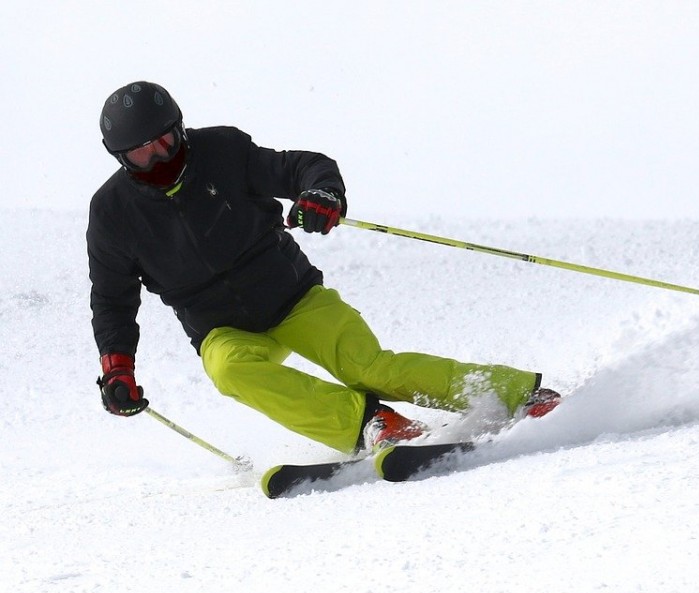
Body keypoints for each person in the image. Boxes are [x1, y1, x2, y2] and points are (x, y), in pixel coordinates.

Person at [88, 81, 560, 456]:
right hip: (221, 327)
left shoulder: (223, 152)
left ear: (180, 128)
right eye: (141, 152)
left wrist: (322, 194)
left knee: (369, 367)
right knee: (229, 370)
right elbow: (112, 299)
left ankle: (515, 394)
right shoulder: (112, 213)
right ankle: (372, 423)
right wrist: (117, 369)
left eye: (164, 140)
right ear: (121, 157)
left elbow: (305, 167)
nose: (158, 156)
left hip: (293, 298)